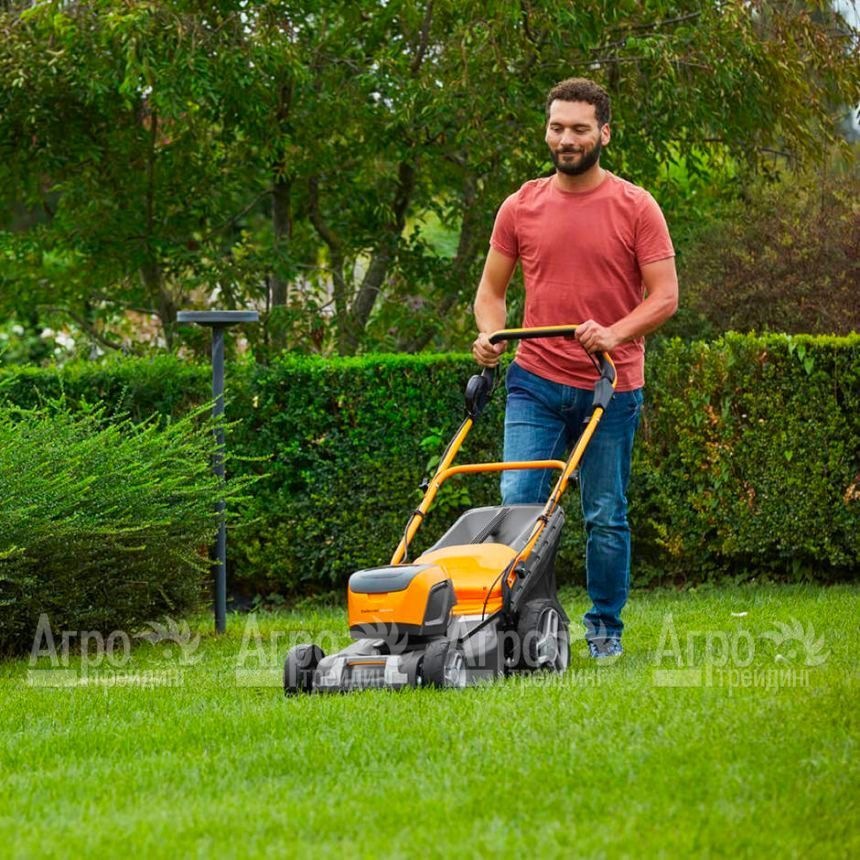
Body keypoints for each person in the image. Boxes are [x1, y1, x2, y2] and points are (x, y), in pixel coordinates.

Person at [472, 77, 678, 659]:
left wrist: (614, 333)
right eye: (557, 127)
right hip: (534, 380)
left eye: (579, 129)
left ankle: (604, 630)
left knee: (605, 514)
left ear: (604, 134)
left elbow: (665, 296)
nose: (566, 138)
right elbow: (491, 291)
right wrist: (490, 333)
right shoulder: (520, 205)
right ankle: (518, 626)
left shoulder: (636, 207)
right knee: (519, 503)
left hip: (610, 384)